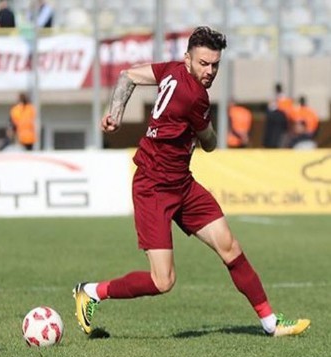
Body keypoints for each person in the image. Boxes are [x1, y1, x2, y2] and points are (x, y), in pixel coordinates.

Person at [73, 26, 310, 338]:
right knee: (163, 281)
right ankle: (91, 292)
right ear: (188, 59)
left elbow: (128, 76)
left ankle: (270, 322)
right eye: (203, 63)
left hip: (182, 184)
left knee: (230, 247)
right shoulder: (194, 96)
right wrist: (203, 136)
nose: (209, 71)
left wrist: (115, 113)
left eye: (215, 65)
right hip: (153, 187)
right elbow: (210, 143)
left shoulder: (171, 69)